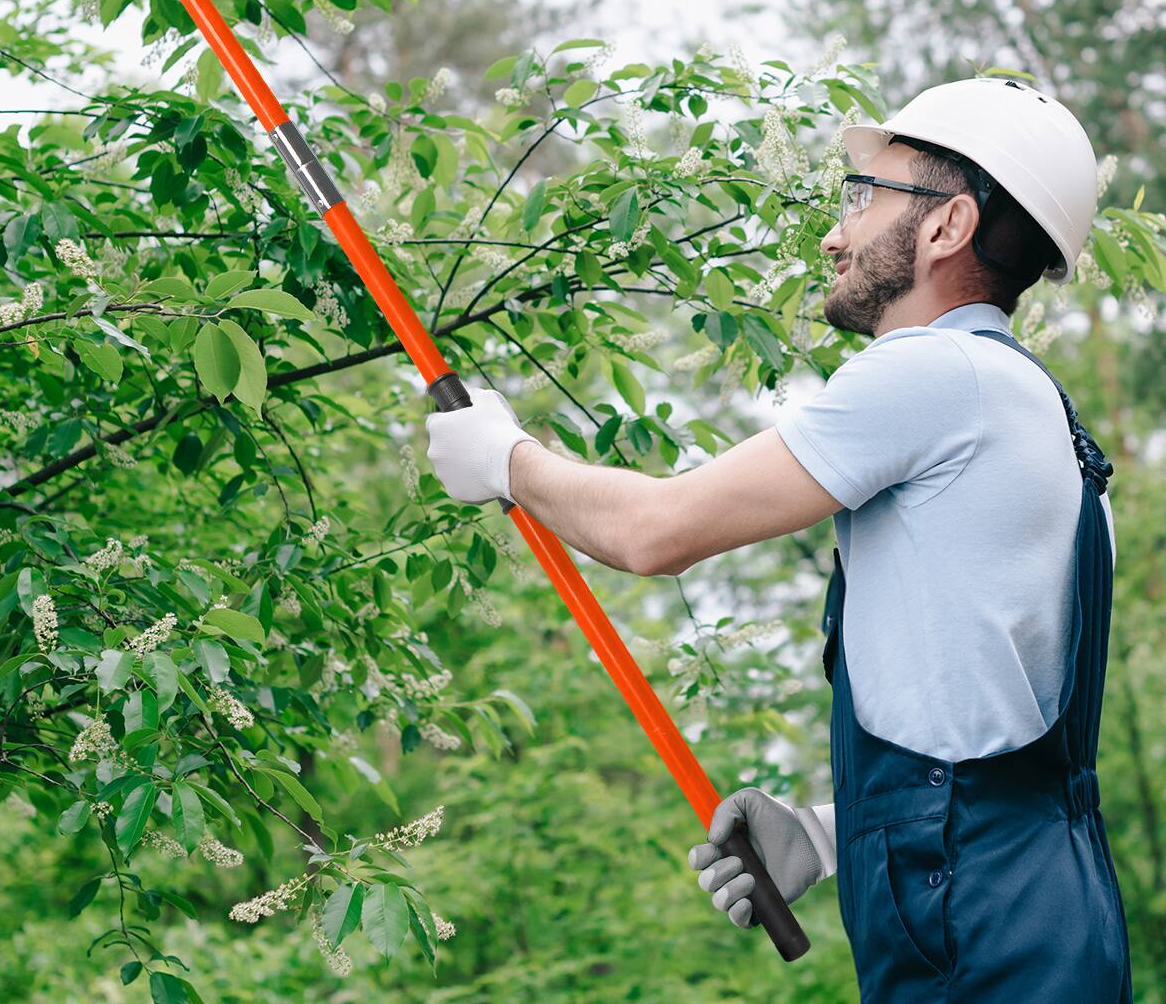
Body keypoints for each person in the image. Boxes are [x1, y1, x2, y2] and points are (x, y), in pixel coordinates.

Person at [425, 76, 1131, 1001]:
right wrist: (835, 832)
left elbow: (653, 531)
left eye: (866, 197)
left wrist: (504, 457)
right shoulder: (1047, 424)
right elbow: (996, 735)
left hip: (978, 937)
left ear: (947, 226)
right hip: (1050, 916)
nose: (836, 235)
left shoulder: (934, 374)